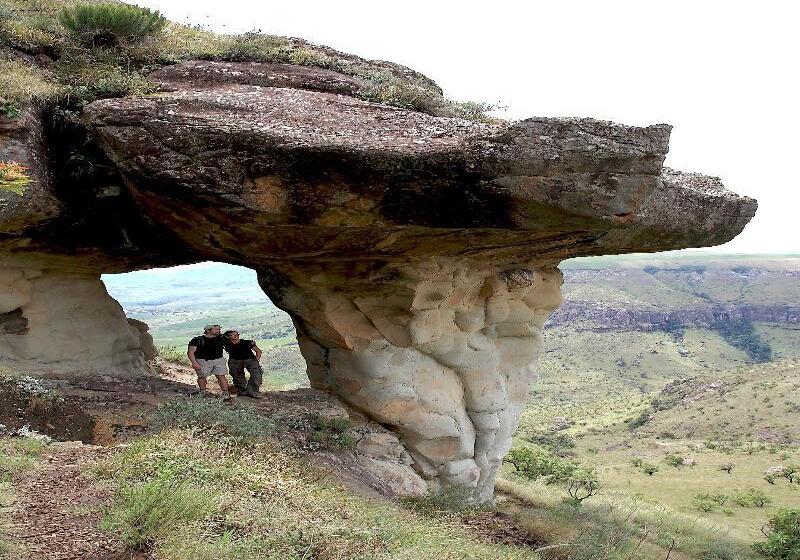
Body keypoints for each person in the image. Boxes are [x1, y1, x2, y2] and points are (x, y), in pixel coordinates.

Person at [187, 324, 232, 400]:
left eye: (219, 329)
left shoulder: (222, 338)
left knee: (221, 376)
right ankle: (203, 391)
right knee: (202, 377)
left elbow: (232, 346)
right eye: (216, 329)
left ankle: (225, 392)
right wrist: (194, 363)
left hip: (218, 360)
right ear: (208, 330)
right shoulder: (197, 340)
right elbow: (190, 352)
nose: (219, 331)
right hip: (203, 361)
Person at [223, 330, 264, 398]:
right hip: (235, 361)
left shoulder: (247, 342)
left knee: (256, 375)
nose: (236, 336)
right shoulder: (227, 344)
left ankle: (253, 392)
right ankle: (242, 392)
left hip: (250, 360)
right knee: (238, 377)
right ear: (228, 337)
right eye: (232, 335)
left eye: (236, 334)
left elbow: (258, 351)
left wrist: (255, 361)